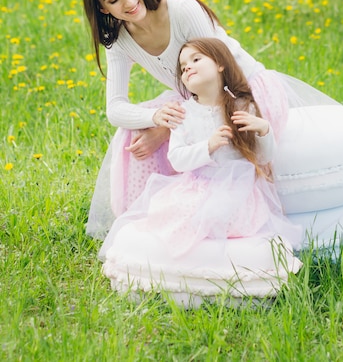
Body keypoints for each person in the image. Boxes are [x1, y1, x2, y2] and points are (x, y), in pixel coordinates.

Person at [81, 0, 343, 256]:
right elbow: (116, 108)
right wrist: (155, 118)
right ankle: (146, 221)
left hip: (241, 91)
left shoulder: (181, 10)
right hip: (196, 98)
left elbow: (222, 75)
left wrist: (165, 131)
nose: (129, 1)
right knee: (131, 134)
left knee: (209, 145)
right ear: (103, 9)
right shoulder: (119, 42)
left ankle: (221, 224)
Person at [99, 38, 303, 306]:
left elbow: (263, 157)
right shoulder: (185, 113)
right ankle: (183, 269)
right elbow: (177, 159)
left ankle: (219, 267)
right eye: (183, 67)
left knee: (222, 219)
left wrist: (263, 130)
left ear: (220, 64)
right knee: (172, 220)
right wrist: (206, 147)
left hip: (236, 187)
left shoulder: (243, 106)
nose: (188, 68)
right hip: (196, 184)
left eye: (196, 60)